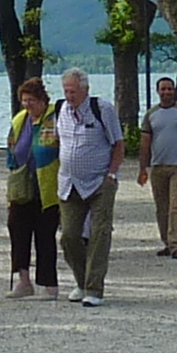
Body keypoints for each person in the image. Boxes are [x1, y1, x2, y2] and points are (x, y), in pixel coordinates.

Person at [55, 67, 124, 308]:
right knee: (69, 236)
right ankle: (82, 280)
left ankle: (95, 288)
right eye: (66, 91)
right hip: (69, 183)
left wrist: (112, 173)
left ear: (85, 90)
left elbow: (118, 143)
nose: (69, 96)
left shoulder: (102, 109)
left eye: (73, 91)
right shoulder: (60, 110)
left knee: (99, 233)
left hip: (100, 182)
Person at [4, 76, 63, 298]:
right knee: (18, 233)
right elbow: (11, 148)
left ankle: (49, 285)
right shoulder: (20, 120)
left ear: (42, 99)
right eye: (24, 100)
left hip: (47, 188)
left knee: (45, 237)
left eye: (32, 100)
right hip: (22, 187)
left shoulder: (55, 117)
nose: (28, 104)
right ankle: (23, 280)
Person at [142, 76, 177, 256]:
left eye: (169, 89)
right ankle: (167, 241)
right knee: (162, 207)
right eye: (163, 89)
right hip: (158, 166)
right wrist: (143, 168)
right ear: (158, 91)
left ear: (174, 91)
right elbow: (145, 142)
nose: (166, 92)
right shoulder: (151, 114)